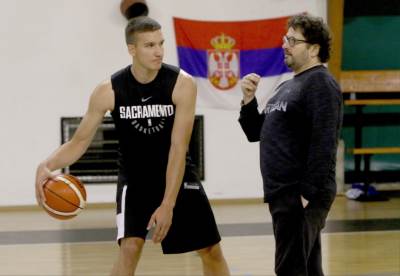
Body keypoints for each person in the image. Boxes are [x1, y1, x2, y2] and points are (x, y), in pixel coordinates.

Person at [35, 16, 230, 276]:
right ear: (132, 49)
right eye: (149, 45)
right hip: (134, 179)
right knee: (129, 248)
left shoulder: (182, 84)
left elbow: (178, 148)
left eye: (161, 43)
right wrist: (46, 165)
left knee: (210, 250)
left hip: (176, 174)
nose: (159, 51)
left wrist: (168, 204)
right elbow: (79, 141)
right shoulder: (109, 90)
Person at [239, 14, 343, 276]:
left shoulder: (320, 83)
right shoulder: (288, 85)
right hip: (283, 192)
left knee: (289, 268)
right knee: (307, 267)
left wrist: (306, 193)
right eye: (286, 38)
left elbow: (325, 142)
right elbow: (256, 132)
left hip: (299, 192)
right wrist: (249, 100)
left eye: (293, 40)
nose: (285, 44)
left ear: (314, 49)